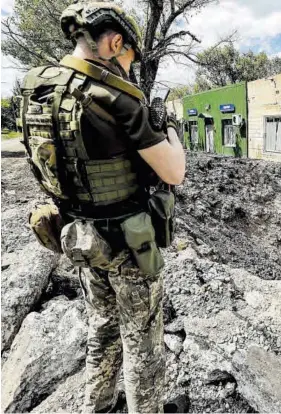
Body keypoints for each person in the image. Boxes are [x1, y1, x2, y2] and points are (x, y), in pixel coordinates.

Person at [18, 2, 185, 413]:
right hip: (128, 243)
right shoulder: (116, 98)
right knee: (142, 342)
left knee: (102, 330)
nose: (129, 69)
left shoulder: (37, 88)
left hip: (79, 237)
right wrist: (173, 130)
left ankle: (100, 405)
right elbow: (174, 172)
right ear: (114, 42)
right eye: (129, 57)